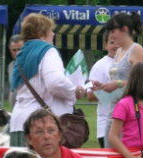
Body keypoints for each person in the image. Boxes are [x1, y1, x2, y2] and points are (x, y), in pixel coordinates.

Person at [9, 13, 86, 148]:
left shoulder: (22, 54)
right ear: (41, 33)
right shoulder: (47, 50)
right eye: (50, 30)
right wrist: (74, 90)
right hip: (42, 125)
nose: (53, 34)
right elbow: (55, 82)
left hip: (19, 122)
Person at [91, 12, 143, 148]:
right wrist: (103, 88)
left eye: (112, 31)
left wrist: (117, 84)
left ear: (124, 30)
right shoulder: (118, 52)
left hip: (131, 117)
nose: (110, 36)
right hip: (114, 114)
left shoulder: (137, 50)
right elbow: (118, 84)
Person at [87, 31, 119, 148]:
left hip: (128, 125)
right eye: (112, 42)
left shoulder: (128, 63)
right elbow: (90, 96)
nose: (116, 45)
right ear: (105, 45)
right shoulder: (99, 66)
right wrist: (116, 91)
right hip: (106, 124)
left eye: (118, 41)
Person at [7, 34, 23, 111]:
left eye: (19, 49)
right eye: (14, 50)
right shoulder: (11, 66)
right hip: (15, 110)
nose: (17, 52)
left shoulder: (30, 64)